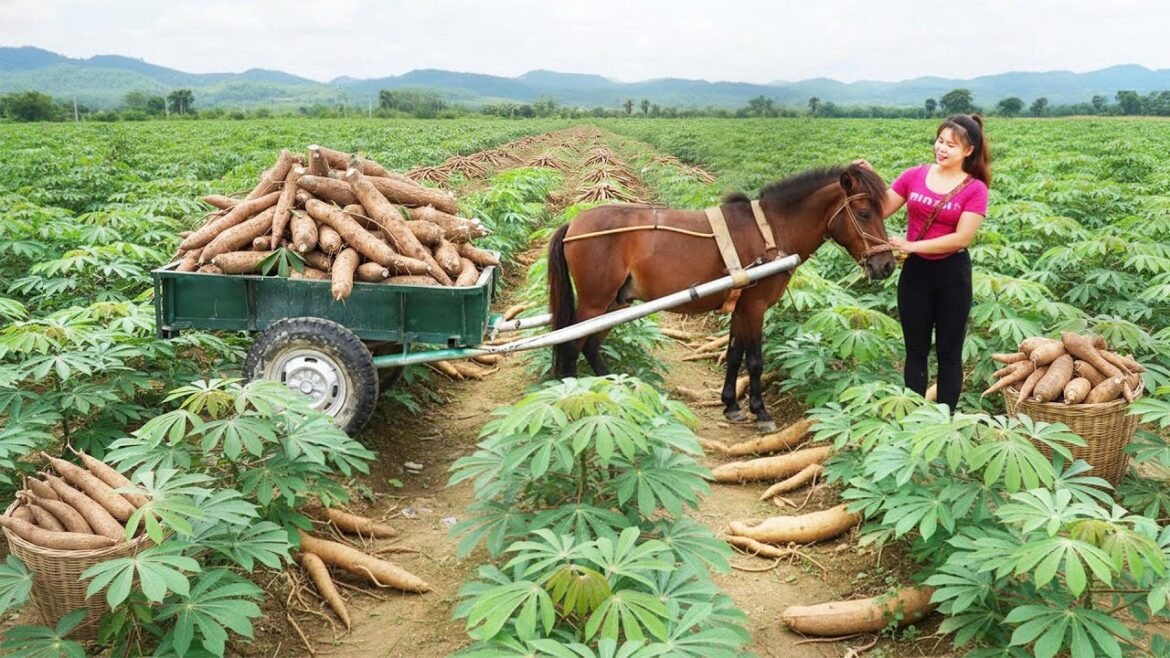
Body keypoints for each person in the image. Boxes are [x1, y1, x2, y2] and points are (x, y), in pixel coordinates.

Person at [856, 114, 991, 411]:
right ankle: (914, 416)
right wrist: (872, 179)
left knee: (949, 354)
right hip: (916, 275)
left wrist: (913, 245)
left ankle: (944, 422)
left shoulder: (975, 189)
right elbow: (884, 209)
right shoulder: (914, 175)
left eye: (951, 146)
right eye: (940, 141)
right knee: (915, 351)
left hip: (952, 275)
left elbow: (962, 238)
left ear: (968, 151)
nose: (942, 149)